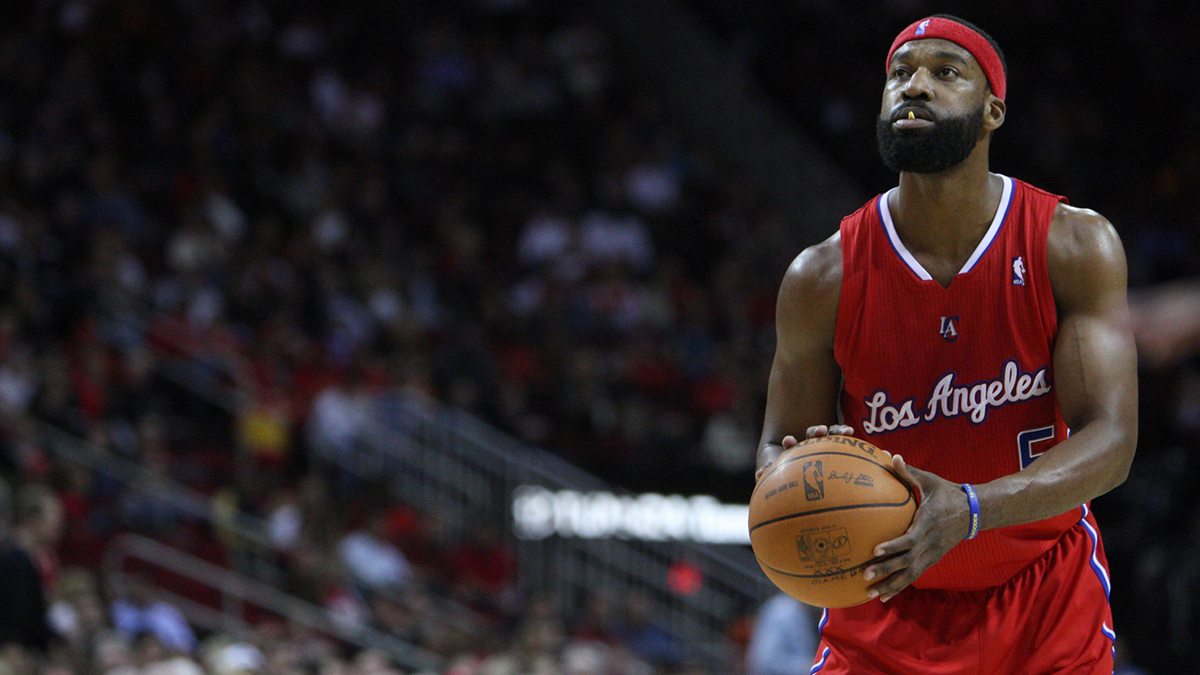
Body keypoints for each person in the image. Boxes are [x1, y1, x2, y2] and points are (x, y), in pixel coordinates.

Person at [755, 15, 1137, 675]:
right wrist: (789, 478)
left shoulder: (1070, 245)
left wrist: (971, 509)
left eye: (945, 72)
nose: (917, 87)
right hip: (882, 599)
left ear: (993, 110)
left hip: (1043, 595)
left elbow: (1112, 443)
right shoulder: (822, 277)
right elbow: (774, 442)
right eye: (900, 74)